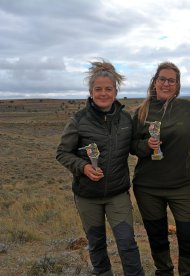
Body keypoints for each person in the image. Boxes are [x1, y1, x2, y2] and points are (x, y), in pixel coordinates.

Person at [56, 59, 145, 276]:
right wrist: (84, 167)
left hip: (117, 194)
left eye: (108, 89)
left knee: (127, 243)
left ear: (115, 91)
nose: (103, 93)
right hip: (87, 195)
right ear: (90, 91)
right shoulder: (78, 120)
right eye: (98, 89)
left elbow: (134, 147)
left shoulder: (125, 119)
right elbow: (62, 153)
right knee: (96, 243)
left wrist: (150, 145)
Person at [131, 61, 190, 275]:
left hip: (181, 185)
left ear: (177, 85)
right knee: (157, 234)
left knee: (189, 233)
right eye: (162, 79)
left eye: (172, 80)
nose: (166, 84)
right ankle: (164, 270)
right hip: (148, 186)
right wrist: (145, 146)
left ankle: (189, 271)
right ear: (154, 82)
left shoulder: (187, 109)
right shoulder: (141, 111)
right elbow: (132, 147)